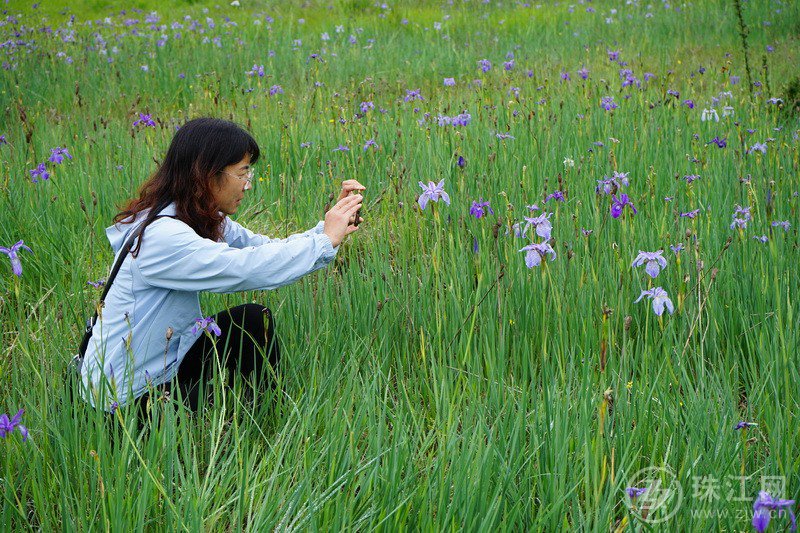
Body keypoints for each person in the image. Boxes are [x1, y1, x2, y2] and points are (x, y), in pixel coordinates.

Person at [79, 117, 364, 414]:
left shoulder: (193, 214)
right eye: (243, 173)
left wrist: (328, 230)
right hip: (121, 402)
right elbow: (246, 268)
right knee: (198, 421)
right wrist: (324, 240)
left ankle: (267, 413)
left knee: (253, 321)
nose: (248, 185)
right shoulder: (162, 237)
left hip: (163, 366)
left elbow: (261, 248)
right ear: (208, 174)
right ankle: (250, 427)